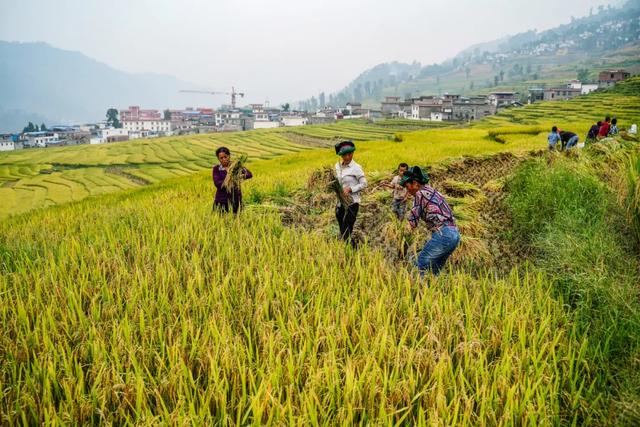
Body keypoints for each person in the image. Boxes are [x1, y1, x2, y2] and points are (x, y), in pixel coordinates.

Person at [401, 166, 460, 276]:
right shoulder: (432, 191)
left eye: (407, 186)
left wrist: (402, 239)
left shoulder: (420, 194)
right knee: (433, 271)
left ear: (414, 183)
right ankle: (432, 291)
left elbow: (412, 221)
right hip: (454, 234)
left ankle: (416, 291)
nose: (407, 190)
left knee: (419, 265)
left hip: (443, 234)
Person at [334, 140, 367, 246]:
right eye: (344, 155)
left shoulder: (356, 168)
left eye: (350, 154)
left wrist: (351, 189)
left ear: (353, 153)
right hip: (340, 203)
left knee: (346, 230)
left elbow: (364, 184)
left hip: (352, 203)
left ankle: (353, 249)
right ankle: (348, 247)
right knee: (342, 229)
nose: (347, 157)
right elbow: (337, 181)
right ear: (341, 155)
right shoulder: (337, 166)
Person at [212, 146, 252, 213]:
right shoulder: (216, 169)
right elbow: (217, 184)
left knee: (236, 220)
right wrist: (229, 179)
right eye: (221, 158)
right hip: (221, 201)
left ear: (229, 156)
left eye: (225, 156)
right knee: (219, 221)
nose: (224, 159)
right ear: (218, 159)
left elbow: (249, 174)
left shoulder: (236, 166)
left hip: (236, 200)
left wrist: (237, 177)